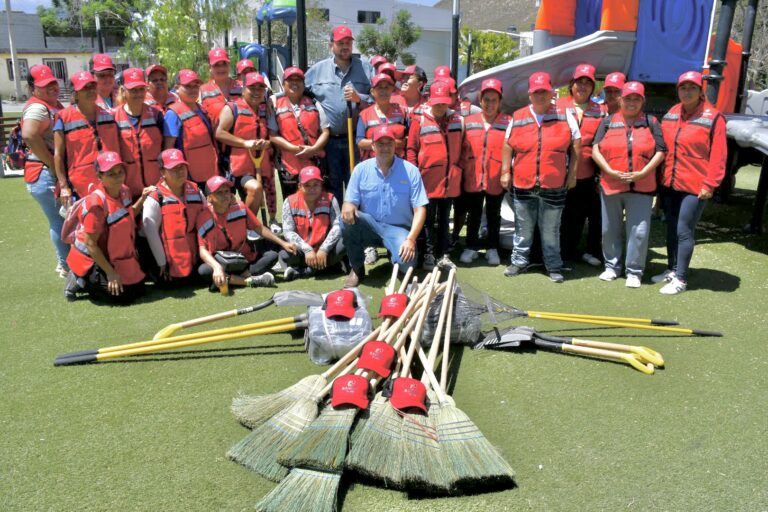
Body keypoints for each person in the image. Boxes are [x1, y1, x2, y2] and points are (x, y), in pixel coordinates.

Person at [501, 72, 581, 283]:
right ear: (530, 94)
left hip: (554, 184)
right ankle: (519, 261)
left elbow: (576, 144)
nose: (540, 96)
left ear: (551, 93)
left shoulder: (565, 115)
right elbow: (507, 144)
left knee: (551, 230)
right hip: (523, 183)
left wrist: (572, 174)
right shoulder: (517, 116)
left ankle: (553, 265)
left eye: (544, 92)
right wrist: (505, 171)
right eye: (536, 92)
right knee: (523, 228)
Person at [655, 70, 727, 294]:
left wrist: (710, 184)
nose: (687, 92)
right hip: (670, 182)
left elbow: (719, 155)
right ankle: (672, 269)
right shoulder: (672, 113)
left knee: (684, 230)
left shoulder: (713, 117)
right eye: (683, 88)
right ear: (678, 90)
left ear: (700, 91)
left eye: (692, 88)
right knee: (671, 228)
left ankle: (681, 279)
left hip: (696, 186)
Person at [591, 81, 666, 288]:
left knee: (639, 231)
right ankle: (612, 266)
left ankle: (634, 271)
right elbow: (595, 149)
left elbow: (661, 151)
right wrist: (608, 170)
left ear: (642, 101)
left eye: (636, 99)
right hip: (611, 185)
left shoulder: (652, 122)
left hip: (642, 187)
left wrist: (643, 172)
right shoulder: (607, 122)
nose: (632, 102)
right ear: (620, 100)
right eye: (628, 98)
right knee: (609, 229)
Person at [341, 125, 428, 287]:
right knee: (345, 220)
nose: (385, 148)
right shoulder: (360, 169)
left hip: (399, 230)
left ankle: (395, 254)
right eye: (380, 143)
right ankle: (357, 268)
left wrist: (410, 239)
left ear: (396, 145)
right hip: (370, 226)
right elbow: (350, 201)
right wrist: (348, 205)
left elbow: (420, 209)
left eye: (389, 143)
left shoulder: (411, 171)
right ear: (372, 146)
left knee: (406, 264)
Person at [64, 151, 153, 303]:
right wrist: (111, 273)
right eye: (111, 174)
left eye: (120, 171)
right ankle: (81, 278)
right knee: (122, 297)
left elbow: (129, 215)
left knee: (139, 290)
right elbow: (90, 244)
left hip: (113, 255)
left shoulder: (124, 191)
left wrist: (143, 198)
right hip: (91, 258)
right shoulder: (96, 204)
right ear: (100, 177)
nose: (118, 176)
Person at [305, 25, 374, 202]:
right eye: (340, 43)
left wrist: (360, 99)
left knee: (356, 184)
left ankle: (354, 226)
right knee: (332, 186)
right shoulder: (316, 71)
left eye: (348, 43)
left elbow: (379, 98)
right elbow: (298, 91)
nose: (345, 47)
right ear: (331, 45)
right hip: (330, 142)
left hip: (356, 139)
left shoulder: (366, 69)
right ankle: (335, 225)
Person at [197, 176, 297, 289]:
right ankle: (251, 280)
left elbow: (259, 228)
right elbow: (202, 250)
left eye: (227, 191)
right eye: (219, 193)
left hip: (244, 260)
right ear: (209, 198)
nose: (225, 196)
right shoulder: (203, 216)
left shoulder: (240, 207)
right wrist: (216, 267)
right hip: (221, 263)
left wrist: (282, 243)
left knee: (272, 255)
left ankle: (231, 279)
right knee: (204, 271)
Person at [406, 81, 464, 270]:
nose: (440, 107)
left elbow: (463, 148)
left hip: (450, 181)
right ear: (430, 100)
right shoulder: (419, 120)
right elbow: (412, 149)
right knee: (428, 219)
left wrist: (458, 170)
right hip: (427, 181)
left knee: (446, 217)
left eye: (443, 103)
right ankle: (428, 254)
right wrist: (414, 177)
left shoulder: (458, 120)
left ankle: (444, 254)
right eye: (436, 102)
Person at [21, 64, 70, 278]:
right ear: (33, 88)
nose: (52, 87)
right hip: (44, 174)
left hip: (46, 172)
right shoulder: (38, 108)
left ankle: (67, 264)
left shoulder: (50, 104)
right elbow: (30, 135)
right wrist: (52, 164)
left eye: (52, 82)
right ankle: (66, 265)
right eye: (45, 85)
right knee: (60, 221)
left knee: (63, 220)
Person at [557, 63, 606, 267]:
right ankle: (560, 252)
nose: (583, 86)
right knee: (561, 215)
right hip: (558, 171)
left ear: (593, 88)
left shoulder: (601, 111)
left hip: (587, 171)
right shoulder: (558, 106)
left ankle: (575, 252)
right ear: (572, 85)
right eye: (579, 82)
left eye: (588, 83)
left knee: (578, 214)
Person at [459, 78, 511, 267]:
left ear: (500, 102)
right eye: (486, 99)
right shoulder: (468, 121)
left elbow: (513, 149)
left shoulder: (508, 122)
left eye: (494, 100)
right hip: (473, 176)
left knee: (493, 214)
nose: (489, 104)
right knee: (473, 213)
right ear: (480, 100)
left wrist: (507, 172)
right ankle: (471, 246)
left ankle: (492, 248)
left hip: (496, 176)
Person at [216, 72, 277, 223]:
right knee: (255, 189)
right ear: (243, 89)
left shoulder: (266, 109)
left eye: (260, 88)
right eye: (252, 88)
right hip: (237, 168)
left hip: (260, 165)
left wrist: (267, 143)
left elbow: (271, 137)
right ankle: (245, 226)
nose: (257, 92)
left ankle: (248, 230)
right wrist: (245, 143)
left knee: (257, 195)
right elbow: (219, 133)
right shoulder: (232, 108)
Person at [142, 149, 206, 285]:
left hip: (196, 258)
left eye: (182, 167)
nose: (180, 172)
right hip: (169, 265)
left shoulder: (196, 190)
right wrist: (161, 263)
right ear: (162, 172)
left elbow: (208, 221)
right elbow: (150, 231)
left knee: (208, 273)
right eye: (174, 169)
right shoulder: (155, 197)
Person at [53, 71, 120, 201]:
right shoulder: (63, 117)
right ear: (76, 94)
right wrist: (63, 186)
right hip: (81, 185)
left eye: (92, 86)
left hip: (111, 182)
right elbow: (58, 155)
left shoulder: (109, 115)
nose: (90, 91)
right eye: (84, 88)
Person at [270, 66, 330, 200]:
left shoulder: (314, 103)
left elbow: (325, 131)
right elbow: (272, 135)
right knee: (291, 201)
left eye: (298, 80)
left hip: (313, 161)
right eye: (290, 80)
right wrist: (293, 148)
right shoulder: (274, 105)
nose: (294, 83)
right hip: (288, 165)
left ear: (304, 84)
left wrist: (314, 149)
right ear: (284, 84)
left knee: (315, 200)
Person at [280, 166, 345, 280]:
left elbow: (337, 226)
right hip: (303, 252)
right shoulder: (289, 201)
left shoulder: (330, 199)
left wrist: (324, 249)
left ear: (322, 185)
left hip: (326, 251)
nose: (312, 189)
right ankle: (324, 268)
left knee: (346, 241)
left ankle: (304, 271)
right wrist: (307, 249)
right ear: (300, 186)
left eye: (316, 185)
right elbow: (288, 231)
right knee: (284, 254)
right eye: (307, 185)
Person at [163, 69, 218, 189]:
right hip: (189, 177)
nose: (193, 89)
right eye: (188, 86)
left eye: (195, 86)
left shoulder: (201, 109)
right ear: (177, 88)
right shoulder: (173, 113)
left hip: (209, 171)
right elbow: (168, 148)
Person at [114, 68, 164, 200]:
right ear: (124, 91)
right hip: (128, 190)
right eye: (133, 90)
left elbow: (166, 148)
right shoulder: (113, 117)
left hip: (156, 188)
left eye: (141, 89)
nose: (138, 94)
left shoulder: (156, 114)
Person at [356, 72, 408, 161]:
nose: (383, 91)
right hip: (372, 163)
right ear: (372, 91)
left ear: (392, 90)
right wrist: (388, 144)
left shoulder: (403, 112)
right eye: (380, 88)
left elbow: (409, 139)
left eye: (387, 87)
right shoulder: (364, 114)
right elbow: (360, 142)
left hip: (398, 162)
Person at [200, 48, 242, 128]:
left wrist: (269, 100)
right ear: (210, 67)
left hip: (242, 138)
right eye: (216, 65)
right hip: (216, 139)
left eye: (224, 64)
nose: (221, 68)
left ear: (229, 65)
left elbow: (262, 93)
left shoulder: (242, 87)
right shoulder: (202, 90)